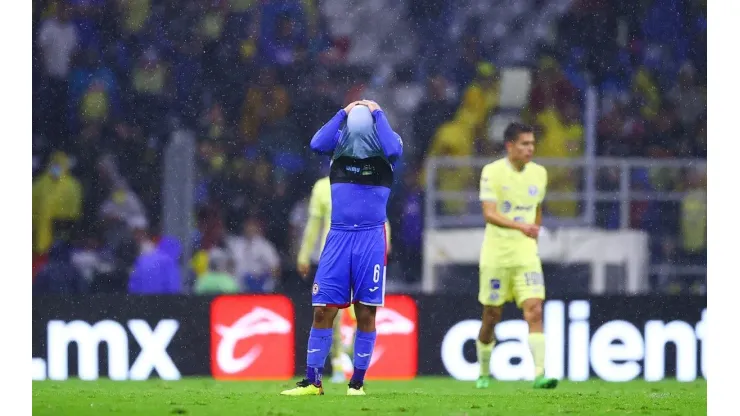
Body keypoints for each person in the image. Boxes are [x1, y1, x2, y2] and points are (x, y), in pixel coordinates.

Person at [281, 100, 402, 396]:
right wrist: (342, 113)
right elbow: (315, 143)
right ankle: (313, 382)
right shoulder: (339, 148)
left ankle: (356, 383)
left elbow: (395, 150)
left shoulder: (386, 147)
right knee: (323, 311)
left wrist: (377, 111)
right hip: (338, 238)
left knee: (365, 313)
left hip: (371, 238)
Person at [475, 122, 558, 390]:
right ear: (510, 146)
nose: (530, 149)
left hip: (526, 256)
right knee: (491, 316)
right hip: (497, 255)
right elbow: (489, 213)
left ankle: (539, 374)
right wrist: (522, 226)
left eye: (532, 144)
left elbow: (537, 208)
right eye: (524, 144)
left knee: (535, 311)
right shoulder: (492, 172)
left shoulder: (539, 174)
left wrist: (533, 228)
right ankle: (484, 373)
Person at [297, 174, 392, 383]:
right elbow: (314, 224)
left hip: (364, 253)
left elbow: (381, 216)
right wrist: (304, 254)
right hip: (331, 254)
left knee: (362, 313)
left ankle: (352, 362)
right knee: (329, 313)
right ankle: (337, 363)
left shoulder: (368, 181)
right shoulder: (322, 187)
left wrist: (385, 243)